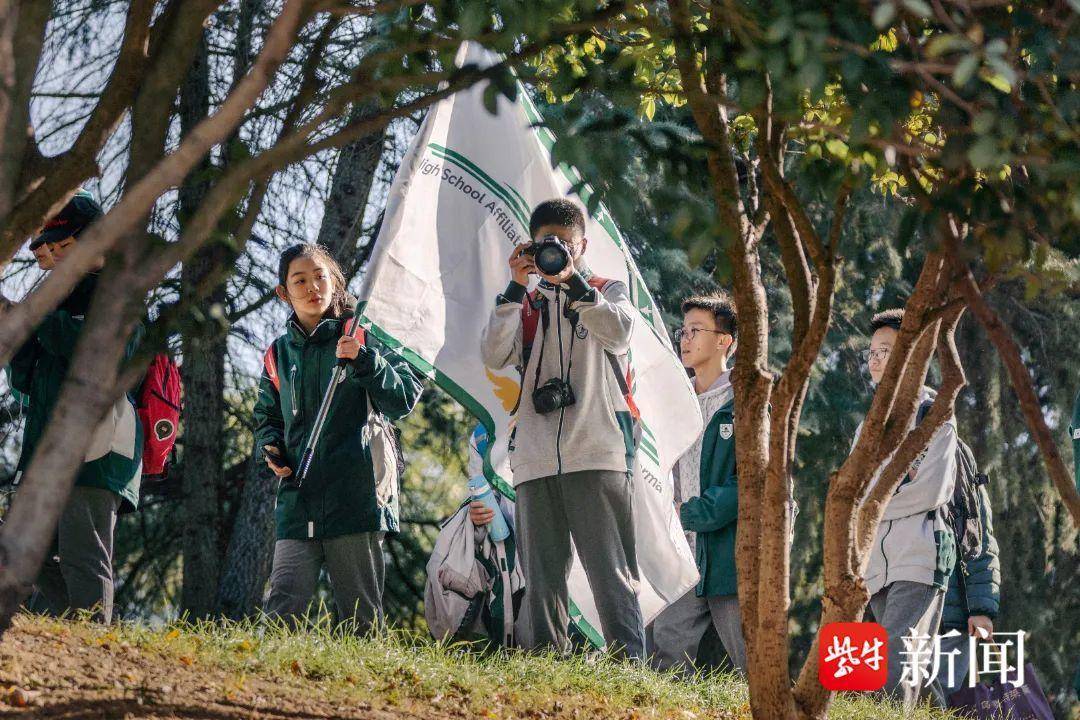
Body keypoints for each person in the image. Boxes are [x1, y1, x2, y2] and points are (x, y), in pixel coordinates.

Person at [480, 198, 644, 659]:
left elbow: (619, 333)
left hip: (596, 450)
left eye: (565, 245)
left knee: (611, 575)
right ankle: (545, 670)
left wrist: (572, 281)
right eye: (546, 245)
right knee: (542, 580)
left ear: (582, 245)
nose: (556, 253)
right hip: (534, 457)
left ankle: (629, 675)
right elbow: (493, 356)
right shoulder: (525, 303)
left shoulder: (605, 289)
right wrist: (514, 289)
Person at [254, 242, 422, 633]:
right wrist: (271, 446)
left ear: (335, 281)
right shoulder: (278, 353)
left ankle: (365, 692)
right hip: (299, 498)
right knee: (281, 611)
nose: (313, 287)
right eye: (300, 280)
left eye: (320, 277)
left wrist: (366, 360)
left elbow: (401, 400)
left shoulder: (364, 333)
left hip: (358, 495)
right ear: (284, 292)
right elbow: (266, 415)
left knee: (362, 619)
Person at [9, 190, 142, 624]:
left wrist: (35, 316)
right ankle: (84, 629)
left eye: (67, 245)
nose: (58, 254)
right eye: (53, 247)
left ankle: (95, 641)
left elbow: (99, 353)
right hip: (48, 443)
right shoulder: (56, 294)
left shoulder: (122, 288)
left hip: (98, 445)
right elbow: (25, 380)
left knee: (84, 554)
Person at [857, 308, 958, 709]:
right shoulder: (869, 421)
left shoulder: (935, 415)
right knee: (897, 666)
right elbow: (852, 491)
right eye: (872, 352)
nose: (876, 359)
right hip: (872, 563)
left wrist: (871, 507)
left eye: (887, 351)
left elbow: (930, 490)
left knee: (895, 662)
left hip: (918, 555)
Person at [647, 293, 746, 675]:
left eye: (696, 331)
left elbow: (748, 483)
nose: (684, 339)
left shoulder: (745, 402)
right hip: (681, 551)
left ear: (725, 341)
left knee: (750, 659)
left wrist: (689, 513)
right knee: (668, 648)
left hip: (729, 553)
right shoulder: (674, 400)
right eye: (682, 331)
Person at [931, 474, 1000, 704]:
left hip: (952, 620)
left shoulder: (958, 461)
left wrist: (981, 609)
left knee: (937, 698)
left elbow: (981, 545)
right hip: (901, 612)